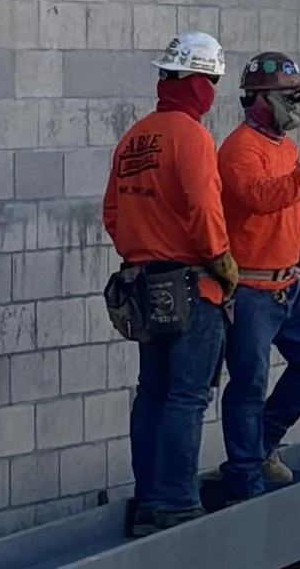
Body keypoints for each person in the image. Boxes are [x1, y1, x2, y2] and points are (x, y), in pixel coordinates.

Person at [102, 33, 240, 537]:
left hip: (143, 285)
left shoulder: (134, 137)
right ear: (197, 82)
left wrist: (142, 247)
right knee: (187, 395)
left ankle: (149, 500)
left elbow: (112, 213)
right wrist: (222, 262)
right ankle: (177, 503)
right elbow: (204, 208)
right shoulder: (192, 137)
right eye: (212, 82)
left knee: (153, 393)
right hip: (192, 285)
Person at [216, 51, 300, 500]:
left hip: (286, 285)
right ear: (258, 98)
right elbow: (259, 197)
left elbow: (293, 215)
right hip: (251, 290)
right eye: (286, 94)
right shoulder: (238, 150)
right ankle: (244, 474)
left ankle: (260, 446)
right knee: (249, 383)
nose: (296, 102)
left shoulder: (286, 149)